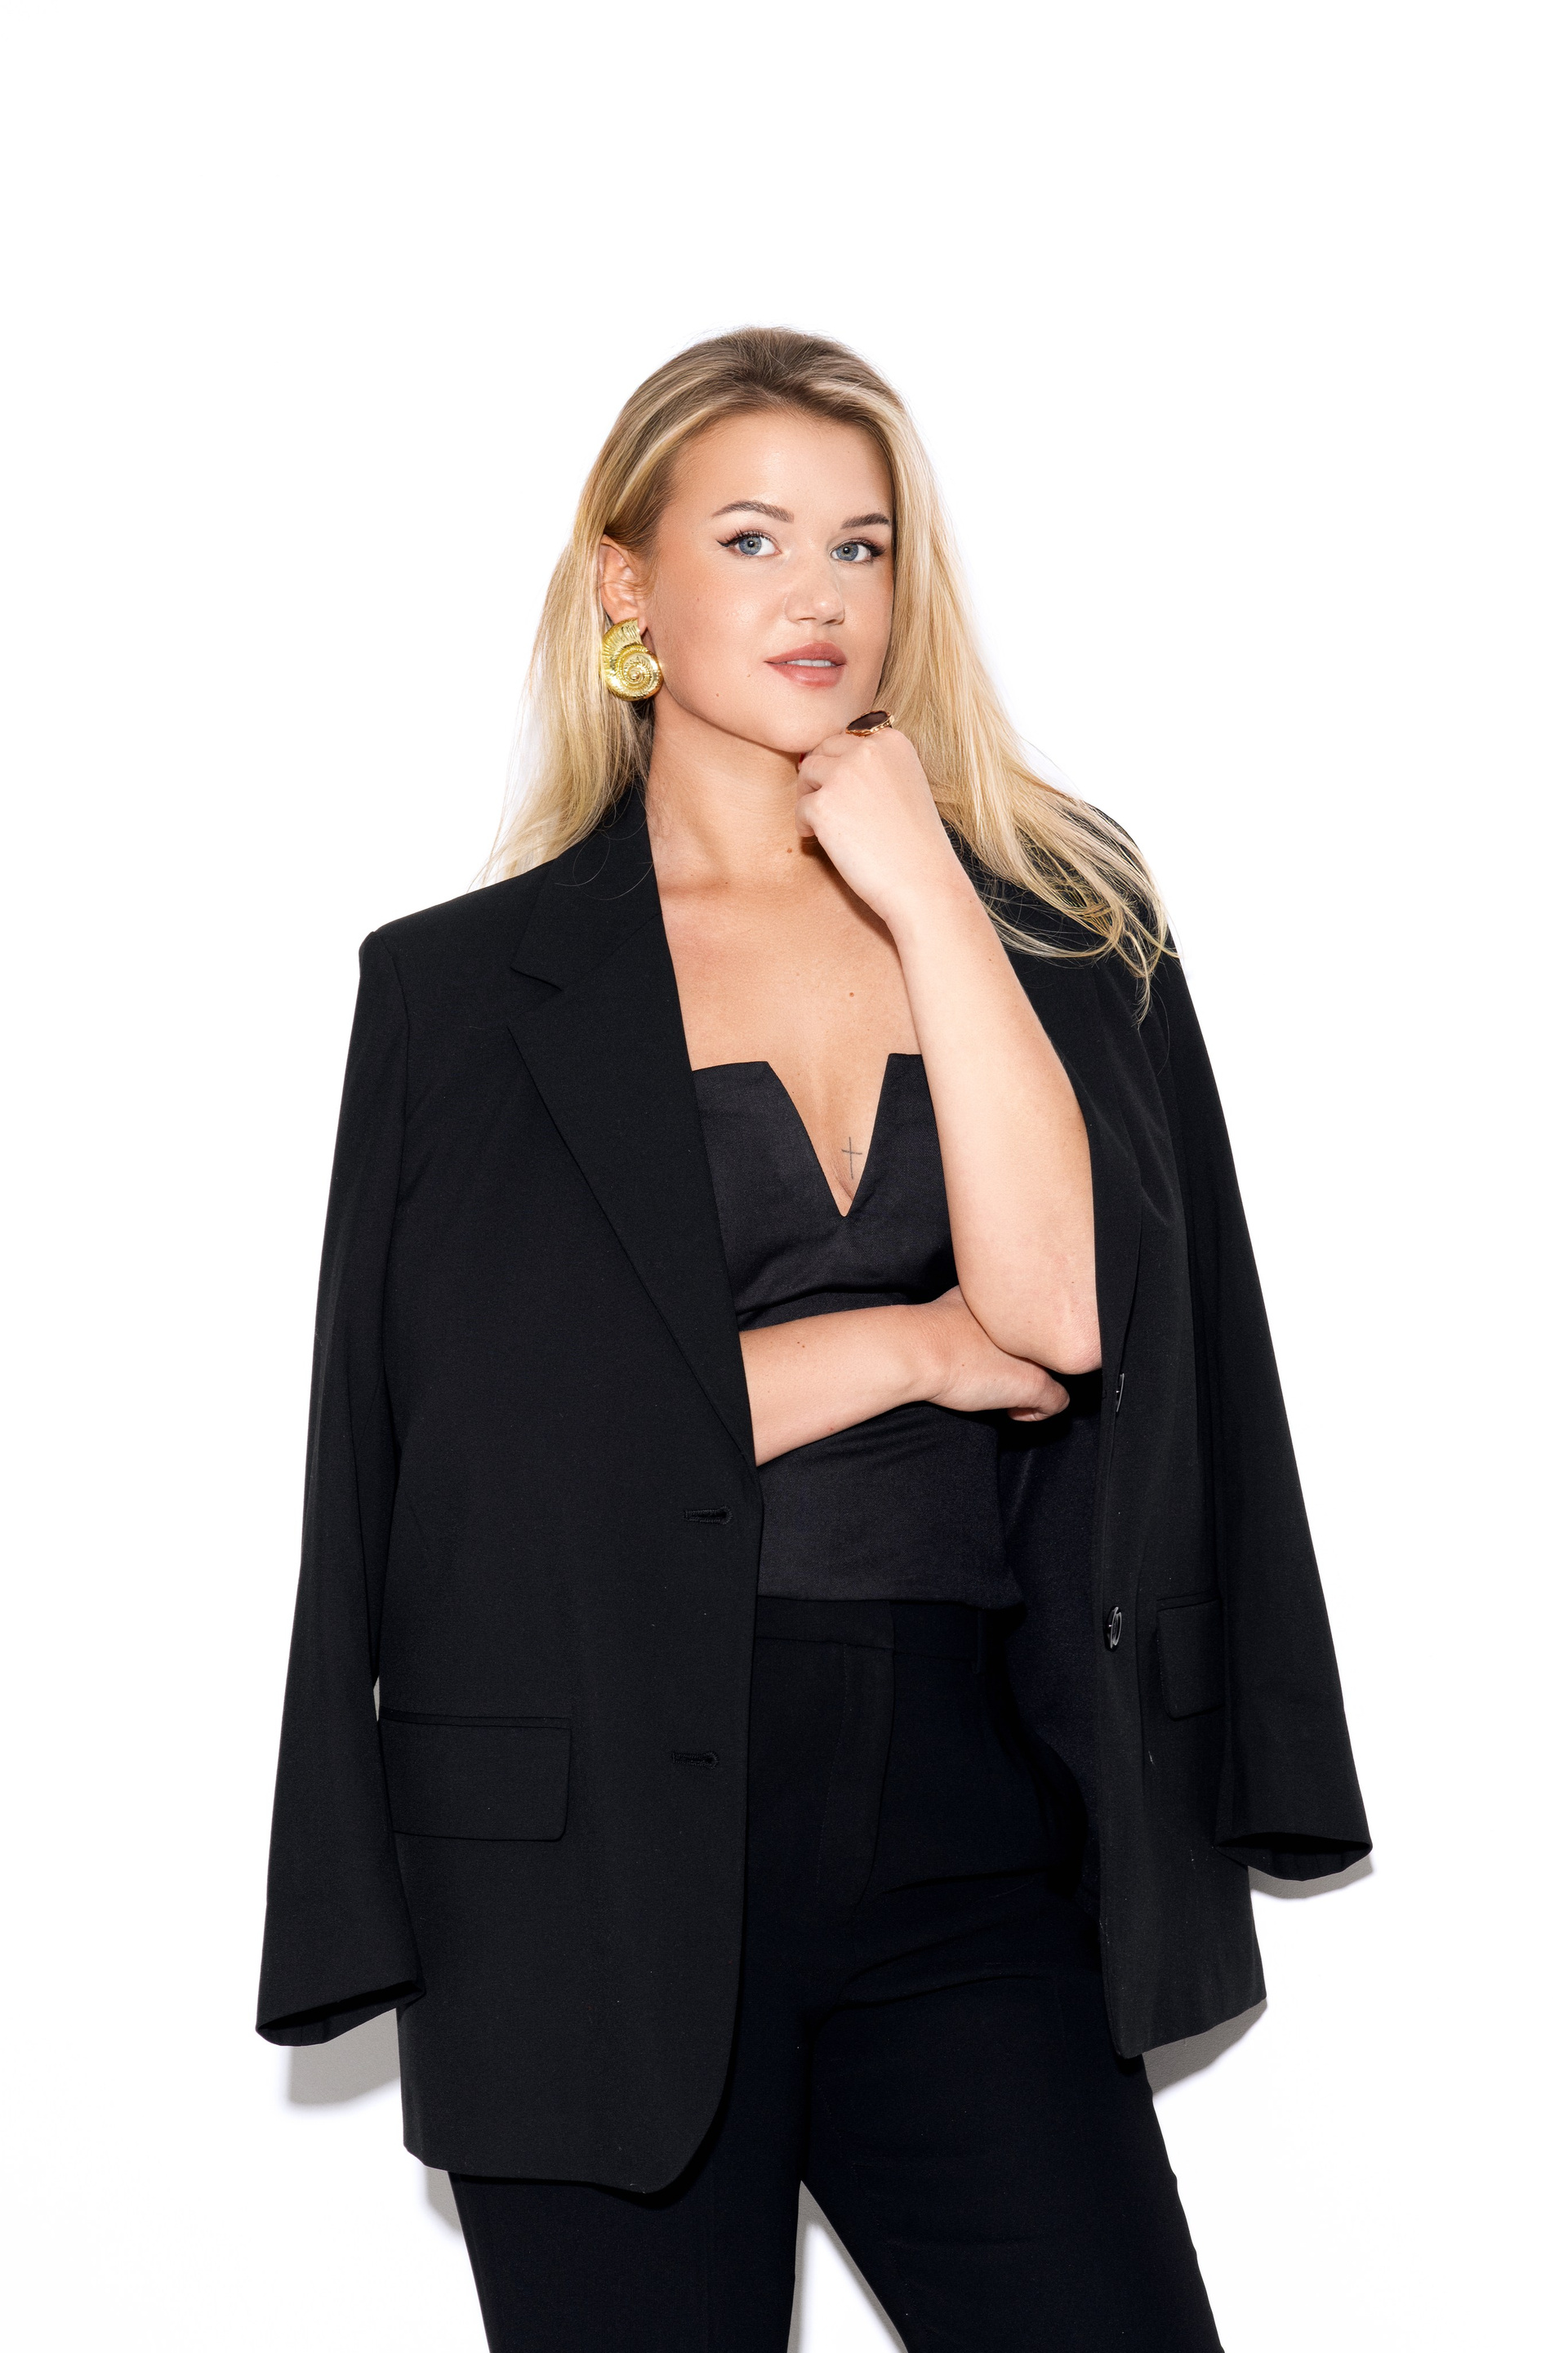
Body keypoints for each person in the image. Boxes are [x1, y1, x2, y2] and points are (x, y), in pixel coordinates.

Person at [256, 328, 1370, 2350]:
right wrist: (912, 1353)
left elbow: (1067, 1314)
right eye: (754, 538)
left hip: (972, 1825)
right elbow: (505, 1465)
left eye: (862, 545)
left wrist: (929, 886)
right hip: (586, 1857)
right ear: (628, 583)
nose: (820, 595)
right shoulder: (462, 993)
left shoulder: (1064, 928)